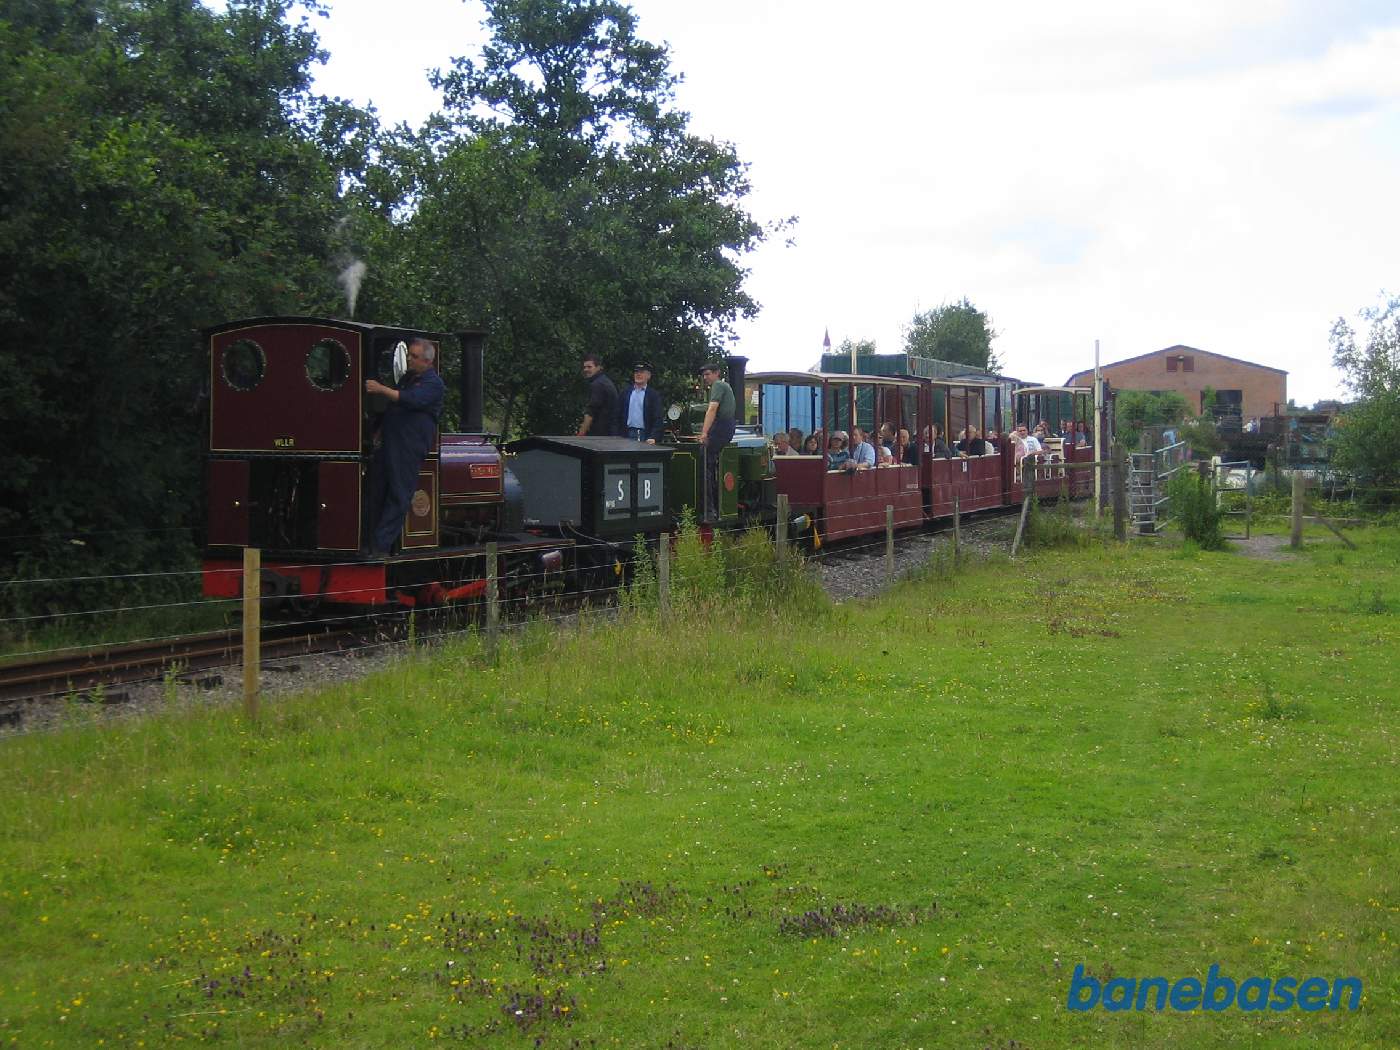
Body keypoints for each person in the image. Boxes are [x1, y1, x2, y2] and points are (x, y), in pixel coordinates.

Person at [365, 337, 446, 555]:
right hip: (390, 444)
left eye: (414, 356)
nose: (409, 359)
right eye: (409, 355)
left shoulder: (434, 384)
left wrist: (381, 389)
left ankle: (381, 546)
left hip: (409, 447)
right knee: (376, 489)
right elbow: (393, 409)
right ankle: (369, 541)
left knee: (399, 495)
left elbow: (410, 400)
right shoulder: (407, 379)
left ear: (428, 361)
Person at [697, 363, 736, 522]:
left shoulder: (718, 385)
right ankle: (711, 507)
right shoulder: (723, 386)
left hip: (721, 427)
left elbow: (712, 409)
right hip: (725, 426)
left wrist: (704, 433)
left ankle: (709, 509)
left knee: (704, 460)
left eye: (708, 374)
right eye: (704, 375)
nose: (705, 378)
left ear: (716, 373)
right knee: (709, 463)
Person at [619, 361, 662, 442]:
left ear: (648, 376)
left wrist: (653, 436)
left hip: (644, 435)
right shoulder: (625, 393)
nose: (638, 374)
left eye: (641, 372)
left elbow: (658, 418)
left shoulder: (653, 395)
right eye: (636, 372)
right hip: (625, 434)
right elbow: (617, 415)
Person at [577, 353, 619, 437]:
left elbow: (591, 412)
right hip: (611, 432)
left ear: (598, 367)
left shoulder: (598, 384)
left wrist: (580, 435)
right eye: (584, 367)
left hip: (601, 435)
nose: (586, 369)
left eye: (589, 367)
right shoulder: (604, 381)